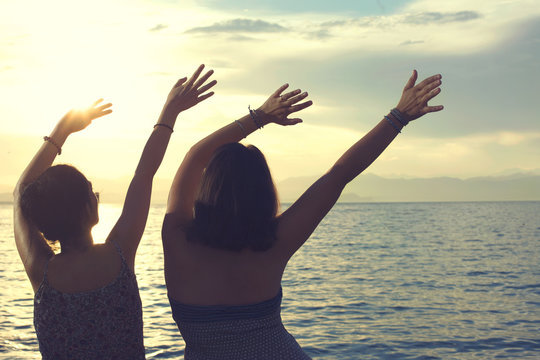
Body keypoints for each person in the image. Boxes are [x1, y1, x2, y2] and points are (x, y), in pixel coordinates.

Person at [162, 70, 443, 359]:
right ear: (264, 194)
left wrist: (260, 116)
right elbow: (339, 175)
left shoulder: (177, 239)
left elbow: (195, 156)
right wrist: (398, 116)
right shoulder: (274, 243)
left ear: (207, 188)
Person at [13, 64, 216, 359]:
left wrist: (62, 131)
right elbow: (144, 173)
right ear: (87, 208)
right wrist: (169, 112)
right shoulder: (118, 254)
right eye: (92, 193)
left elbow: (21, 191)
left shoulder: (40, 271)